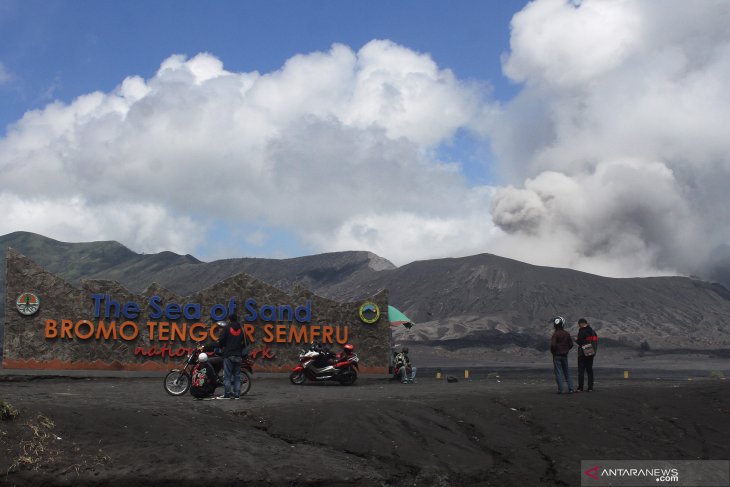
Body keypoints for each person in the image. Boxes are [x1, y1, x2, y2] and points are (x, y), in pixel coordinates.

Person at [217, 314, 247, 399]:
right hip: (238, 355)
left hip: (228, 354)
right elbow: (245, 342)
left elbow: (221, 341)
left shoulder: (227, 328)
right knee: (237, 375)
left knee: (227, 376)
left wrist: (222, 345)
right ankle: (237, 394)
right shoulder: (241, 329)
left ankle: (227, 394)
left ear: (229, 320)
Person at [550, 316, 574, 394]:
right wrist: (566, 349)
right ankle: (571, 389)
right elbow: (571, 344)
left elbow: (553, 345)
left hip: (557, 355)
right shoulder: (567, 334)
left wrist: (554, 352)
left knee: (559, 373)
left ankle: (561, 390)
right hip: (564, 355)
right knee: (567, 372)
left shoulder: (555, 334)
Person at [575, 318, 598, 392]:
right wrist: (594, 352)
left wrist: (576, 340)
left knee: (581, 370)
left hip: (582, 352)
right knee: (589, 370)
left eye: (579, 325)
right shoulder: (592, 331)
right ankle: (590, 387)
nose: (579, 326)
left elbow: (581, 341)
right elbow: (595, 342)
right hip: (590, 351)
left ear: (581, 323)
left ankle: (580, 388)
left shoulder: (581, 331)